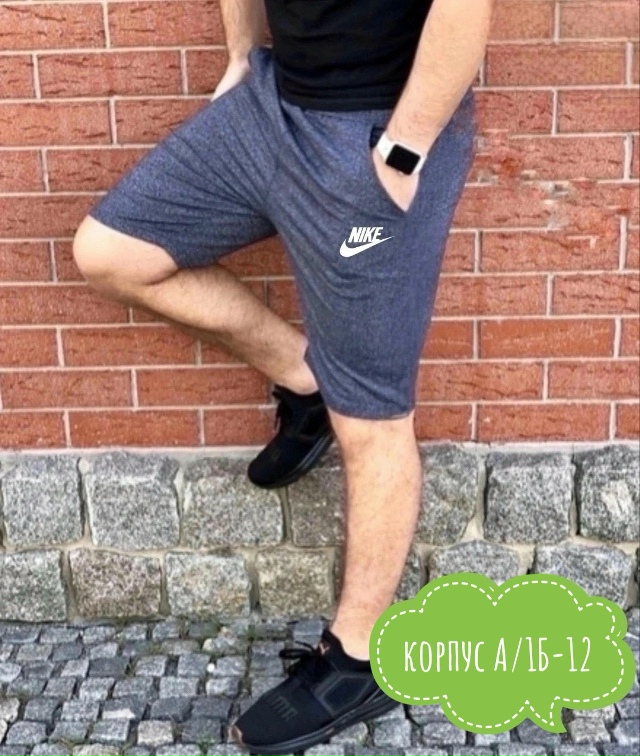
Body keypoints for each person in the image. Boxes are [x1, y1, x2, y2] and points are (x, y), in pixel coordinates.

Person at [72, 0, 494, 750]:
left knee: (372, 415)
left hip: (372, 133)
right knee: (111, 253)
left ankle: (356, 661)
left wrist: (404, 148)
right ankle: (307, 381)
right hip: (272, 105)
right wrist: (241, 57)